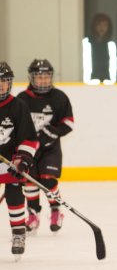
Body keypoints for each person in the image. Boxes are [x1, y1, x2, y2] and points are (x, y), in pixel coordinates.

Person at [17, 59, 74, 234]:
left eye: (46, 76)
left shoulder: (59, 97)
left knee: (48, 180)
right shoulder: (22, 99)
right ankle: (33, 214)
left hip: (50, 148)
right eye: (39, 77)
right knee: (29, 180)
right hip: (29, 149)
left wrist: (52, 132)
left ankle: (56, 210)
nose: (43, 80)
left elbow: (68, 124)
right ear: (32, 78)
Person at [0, 62, 38, 258]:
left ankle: (18, 232)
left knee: (14, 192)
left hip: (10, 162)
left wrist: (22, 160)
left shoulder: (18, 106)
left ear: (10, 83)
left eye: (3, 81)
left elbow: (29, 138)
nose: (0, 85)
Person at [82, 13, 117, 84]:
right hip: (90, 82)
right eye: (99, 25)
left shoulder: (110, 45)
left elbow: (113, 64)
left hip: (107, 82)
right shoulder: (87, 43)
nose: (102, 28)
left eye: (105, 25)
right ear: (94, 26)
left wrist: (111, 80)